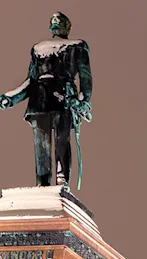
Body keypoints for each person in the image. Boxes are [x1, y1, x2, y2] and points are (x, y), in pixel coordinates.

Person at [0, 13, 92, 187]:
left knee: (61, 140)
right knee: (41, 145)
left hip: (64, 98)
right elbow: (31, 80)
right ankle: (42, 183)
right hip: (40, 99)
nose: (56, 24)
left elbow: (86, 78)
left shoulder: (77, 47)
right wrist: (10, 98)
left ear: (67, 26)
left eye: (60, 22)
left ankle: (61, 177)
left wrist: (83, 101)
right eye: (54, 22)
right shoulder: (38, 49)